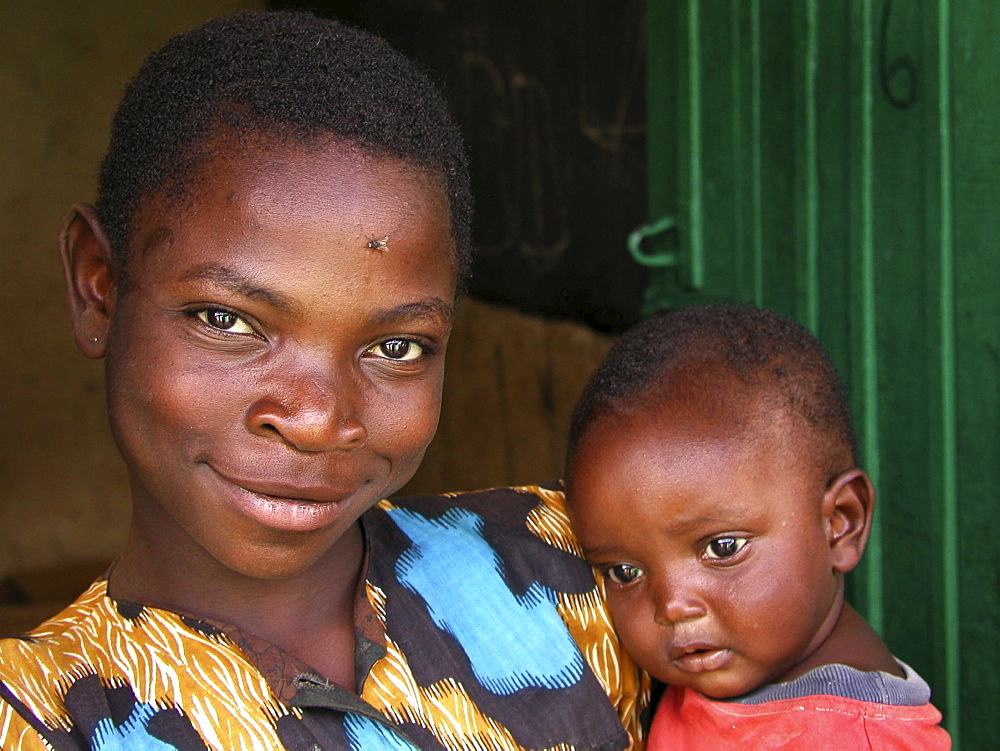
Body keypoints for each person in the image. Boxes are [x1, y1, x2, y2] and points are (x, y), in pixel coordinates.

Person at [0, 12, 646, 750]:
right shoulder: (41, 720)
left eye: (397, 345)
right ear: (99, 287)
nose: (316, 418)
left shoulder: (584, 573)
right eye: (227, 319)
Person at [563, 304, 950, 749]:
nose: (671, 606)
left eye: (723, 548)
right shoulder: (730, 672)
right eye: (624, 572)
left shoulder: (850, 738)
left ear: (840, 524)